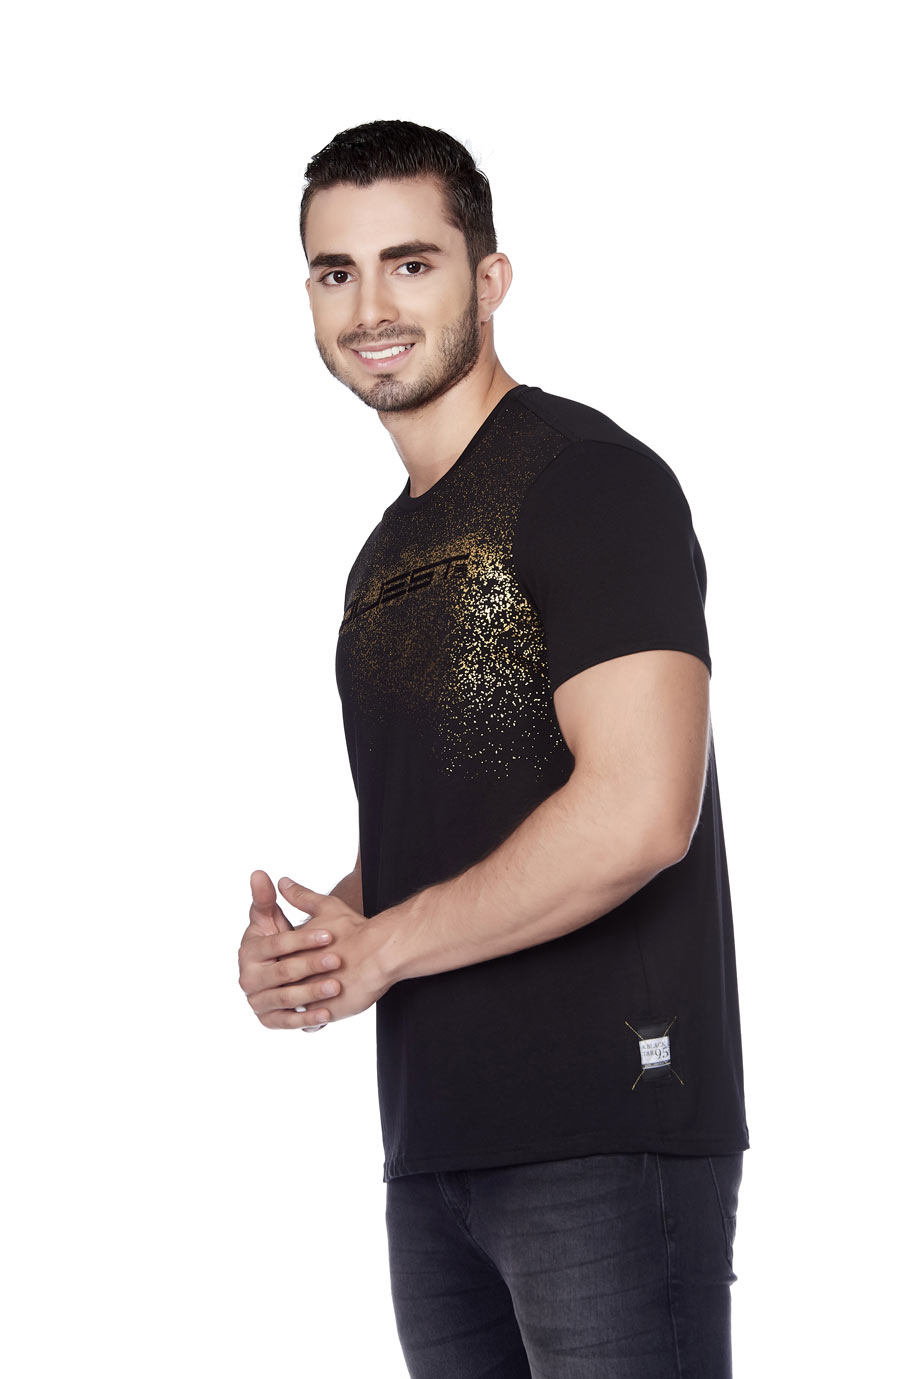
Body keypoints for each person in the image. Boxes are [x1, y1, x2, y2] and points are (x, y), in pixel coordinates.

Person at [238, 118, 749, 1379]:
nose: (370, 307)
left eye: (409, 263)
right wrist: (325, 944)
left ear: (489, 277)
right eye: (336, 271)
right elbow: (458, 823)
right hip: (435, 1145)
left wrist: (386, 945)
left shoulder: (587, 481)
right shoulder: (383, 555)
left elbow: (639, 809)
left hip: (604, 1129)